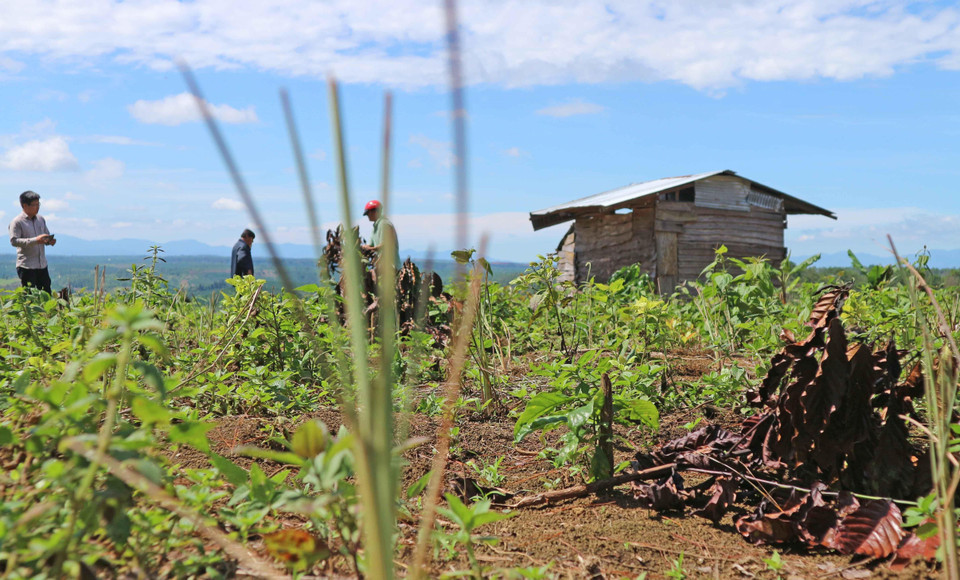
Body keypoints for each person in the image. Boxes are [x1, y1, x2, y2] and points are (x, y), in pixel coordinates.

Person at [9, 190, 56, 294]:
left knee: (46, 295)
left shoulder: (41, 219)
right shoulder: (17, 222)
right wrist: (36, 240)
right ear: (24, 205)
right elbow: (14, 241)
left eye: (38, 204)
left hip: (42, 265)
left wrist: (49, 241)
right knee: (30, 297)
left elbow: (45, 236)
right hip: (27, 266)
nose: (37, 207)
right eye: (34, 205)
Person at [360, 200, 401, 268]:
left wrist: (371, 248)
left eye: (368, 213)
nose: (367, 215)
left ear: (375, 212)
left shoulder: (384, 224)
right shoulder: (376, 226)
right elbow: (370, 245)